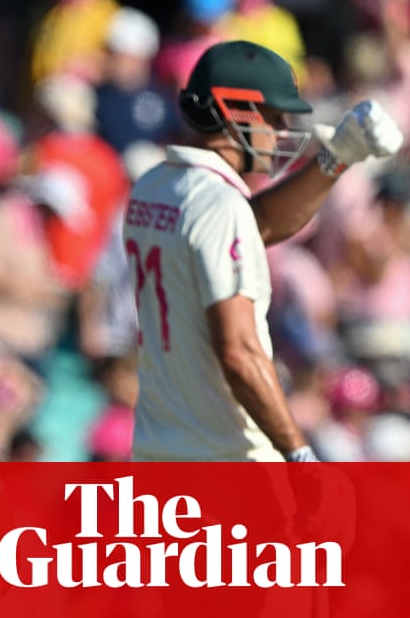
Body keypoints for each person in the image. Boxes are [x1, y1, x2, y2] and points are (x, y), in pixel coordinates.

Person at [124, 40, 404, 462]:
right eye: (274, 118)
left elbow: (258, 225)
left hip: (159, 451)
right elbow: (239, 351)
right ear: (236, 111)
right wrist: (299, 453)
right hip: (229, 458)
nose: (282, 132)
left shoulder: (154, 186)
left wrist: (338, 157)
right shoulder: (219, 206)